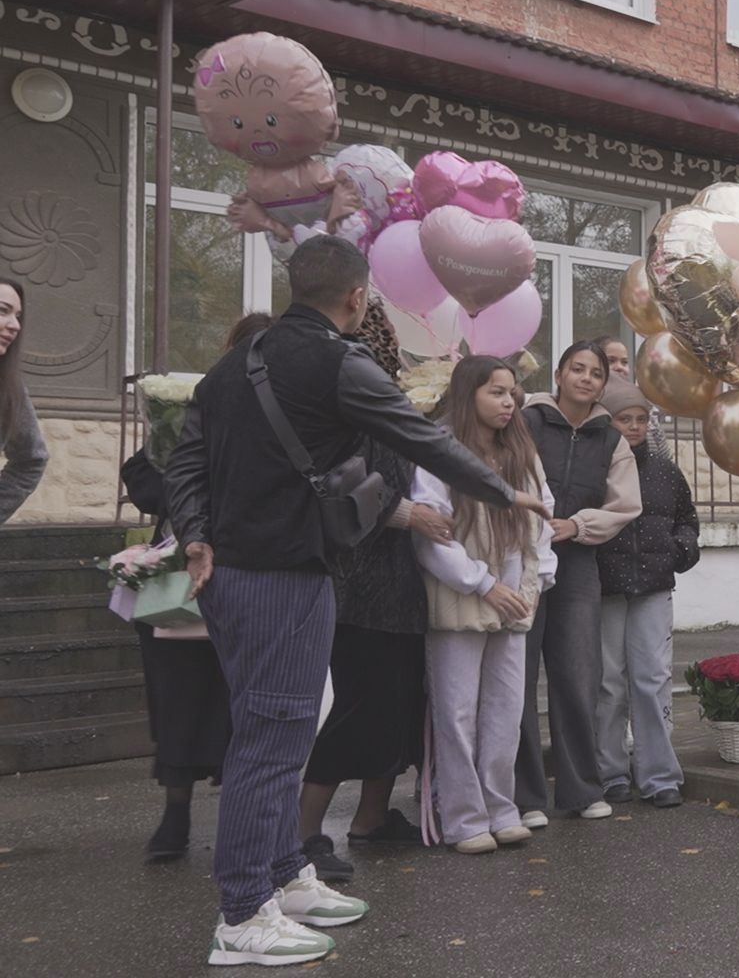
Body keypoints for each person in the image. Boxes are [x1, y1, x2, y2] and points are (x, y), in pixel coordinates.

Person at [166, 235, 546, 967]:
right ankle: (243, 913)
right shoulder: (340, 363)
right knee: (271, 742)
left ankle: (286, 876)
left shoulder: (229, 368)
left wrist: (195, 535)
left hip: (235, 576)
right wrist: (505, 490)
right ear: (356, 297)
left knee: (276, 733)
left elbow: (185, 457)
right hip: (283, 577)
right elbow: (419, 437)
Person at [297, 300, 451, 882]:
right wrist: (404, 511)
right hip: (362, 586)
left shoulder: (389, 395)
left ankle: (371, 818)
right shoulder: (339, 396)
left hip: (405, 584)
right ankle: (305, 832)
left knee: (399, 707)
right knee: (359, 708)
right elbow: (338, 482)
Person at [119, 313, 269, 863]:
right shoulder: (189, 407)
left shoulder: (282, 414)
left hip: (249, 573)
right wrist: (183, 486)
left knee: (242, 698)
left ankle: (241, 817)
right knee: (178, 694)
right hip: (179, 578)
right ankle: (175, 814)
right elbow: (143, 475)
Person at [415, 355, 557, 855]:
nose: (508, 401)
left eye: (512, 392)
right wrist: (482, 583)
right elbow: (432, 534)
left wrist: (533, 581)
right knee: (456, 712)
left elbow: (542, 516)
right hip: (461, 597)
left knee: (505, 707)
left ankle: (501, 808)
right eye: (496, 391)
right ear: (468, 391)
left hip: (513, 598)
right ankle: (463, 819)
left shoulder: (521, 448)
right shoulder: (439, 449)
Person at [516, 342, 643, 825]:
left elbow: (624, 506)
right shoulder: (526, 421)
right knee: (519, 680)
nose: (586, 378)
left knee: (577, 678)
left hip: (576, 568)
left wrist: (578, 525)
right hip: (522, 563)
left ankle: (581, 790)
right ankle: (526, 798)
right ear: (560, 373)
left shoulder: (611, 441)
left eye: (594, 373)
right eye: (577, 369)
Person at [593, 378, 699, 811]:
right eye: (624, 419)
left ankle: (658, 775)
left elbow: (686, 518)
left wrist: (681, 550)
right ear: (608, 421)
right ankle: (610, 772)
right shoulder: (593, 466)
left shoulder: (663, 469)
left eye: (640, 419)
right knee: (608, 683)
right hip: (605, 588)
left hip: (653, 586)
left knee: (652, 680)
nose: (634, 427)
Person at [0, 276, 46, 524]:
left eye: (17, 316)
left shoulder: (8, 390)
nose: (15, 325)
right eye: (3, 311)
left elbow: (31, 460)